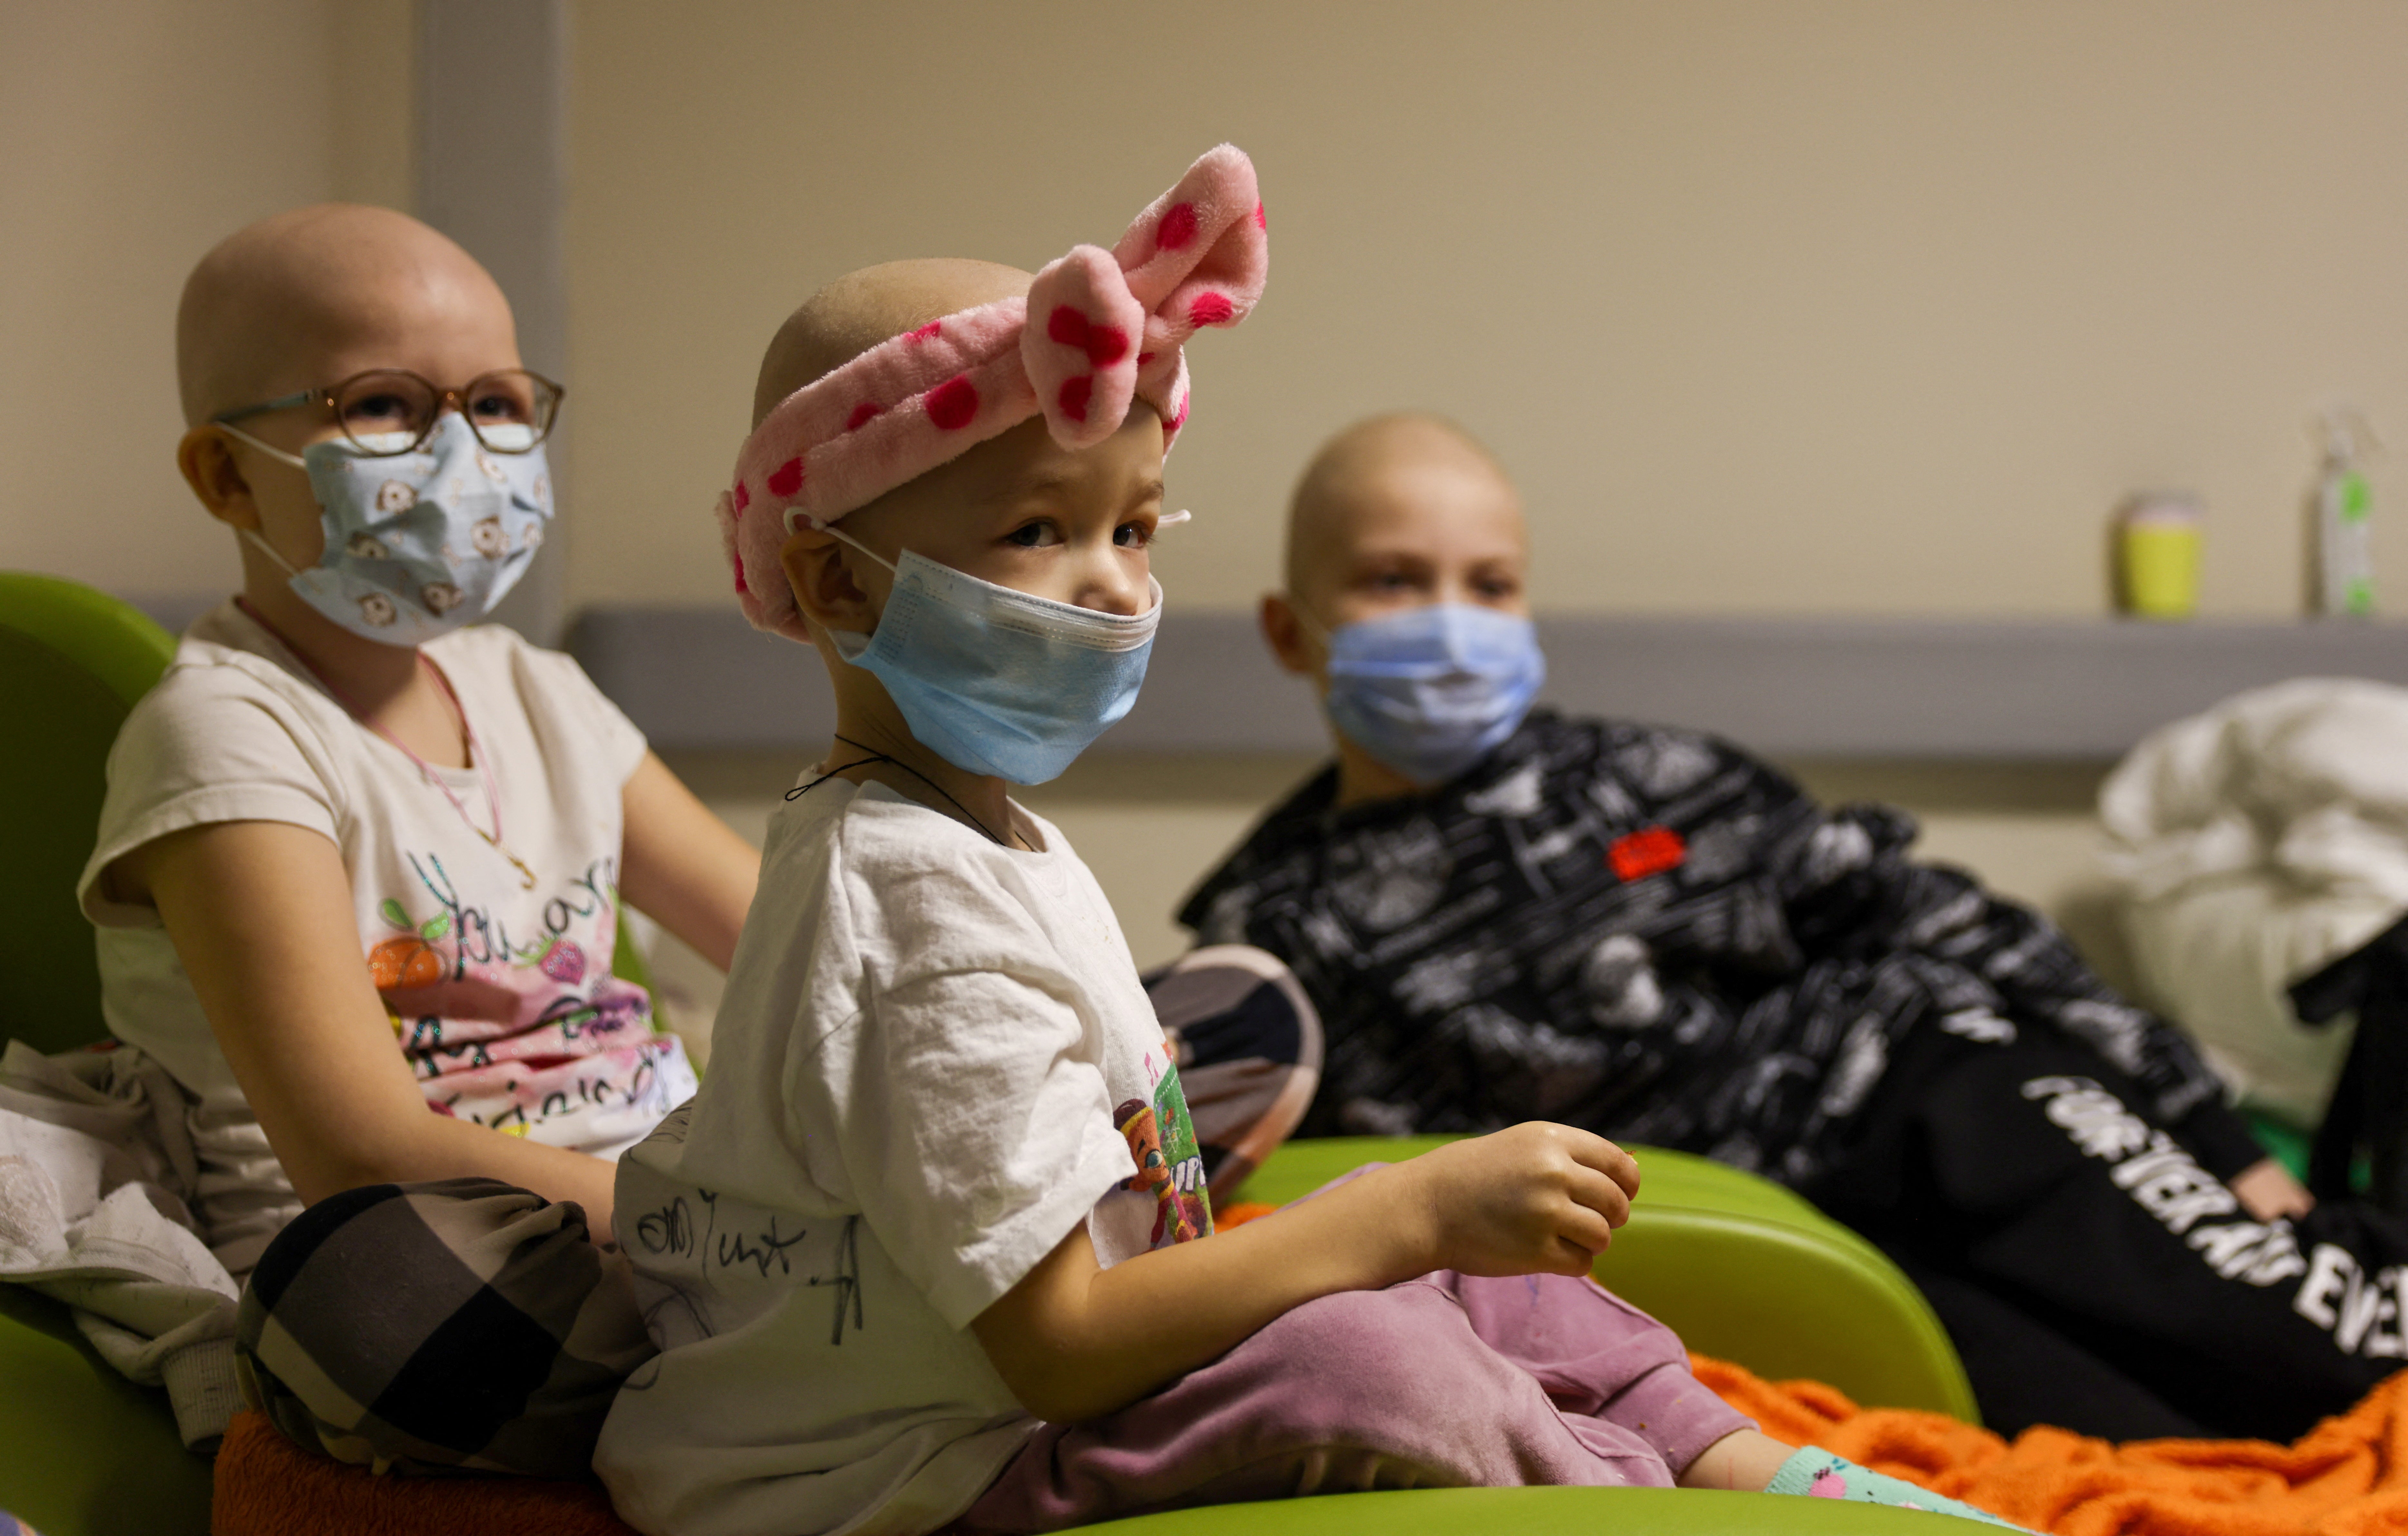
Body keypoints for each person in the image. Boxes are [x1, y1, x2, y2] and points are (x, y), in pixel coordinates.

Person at [593, 149, 2013, 1536]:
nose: (1112, 586)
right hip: (919, 1469)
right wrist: (1397, 1217)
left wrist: (1402, 1229)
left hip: (1037, 1378)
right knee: (1373, 1350)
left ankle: (1743, 1469)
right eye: (1038, 528)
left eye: (1137, 530)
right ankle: (1629, 1497)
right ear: (838, 579)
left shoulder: (978, 833)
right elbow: (1062, 1349)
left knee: (1483, 1284)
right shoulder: (913, 910)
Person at [1180, 411, 2408, 1444]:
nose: (1450, 622)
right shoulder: (1271, 930)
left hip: (1929, 1089)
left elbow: (1935, 916)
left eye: (1489, 586)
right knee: (2147, 1433)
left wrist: (2206, 1131)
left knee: (2322, 1353)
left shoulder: (1650, 781)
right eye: (1395, 581)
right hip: (1779, 1239)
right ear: (1292, 629)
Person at [54, 203, 761, 1463]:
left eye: (495, 402)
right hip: (440, 1244)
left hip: (663, 1184)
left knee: (1219, 1009)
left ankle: (805, 1352)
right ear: (226, 474)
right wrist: (725, 1223)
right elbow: (357, 1148)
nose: (464, 449)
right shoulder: (226, 731)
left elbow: (783, 932)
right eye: (383, 406)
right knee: (392, 1312)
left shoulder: (536, 689)